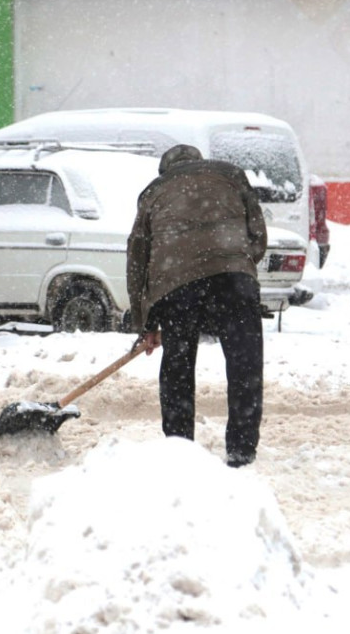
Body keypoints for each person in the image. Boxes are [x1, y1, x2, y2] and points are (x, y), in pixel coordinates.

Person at [127, 144, 268, 467]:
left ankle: (179, 449)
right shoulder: (231, 175)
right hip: (234, 278)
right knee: (244, 364)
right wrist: (236, 264)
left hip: (177, 286)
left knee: (177, 367)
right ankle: (241, 449)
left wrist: (145, 324)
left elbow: (137, 258)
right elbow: (257, 236)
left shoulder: (154, 191)